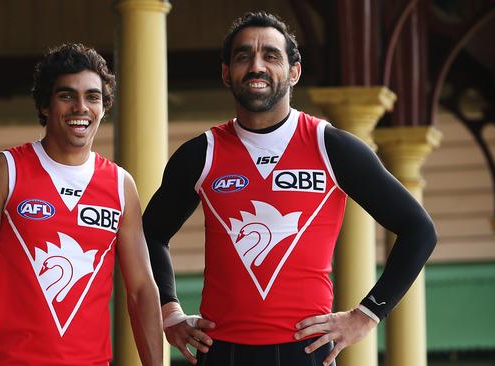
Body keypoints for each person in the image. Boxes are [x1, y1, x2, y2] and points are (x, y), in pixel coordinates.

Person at [143, 11, 437, 366]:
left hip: (306, 352)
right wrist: (169, 311)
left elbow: (419, 230)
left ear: (294, 72)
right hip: (221, 351)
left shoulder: (332, 147)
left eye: (270, 55)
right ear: (226, 73)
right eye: (243, 57)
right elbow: (150, 234)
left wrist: (366, 316)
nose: (256, 66)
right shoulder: (200, 154)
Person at [0, 43, 163, 366]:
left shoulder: (121, 186)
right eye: (67, 96)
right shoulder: (6, 170)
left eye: (92, 97)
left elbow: (142, 289)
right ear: (45, 105)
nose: (81, 107)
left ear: (104, 107)